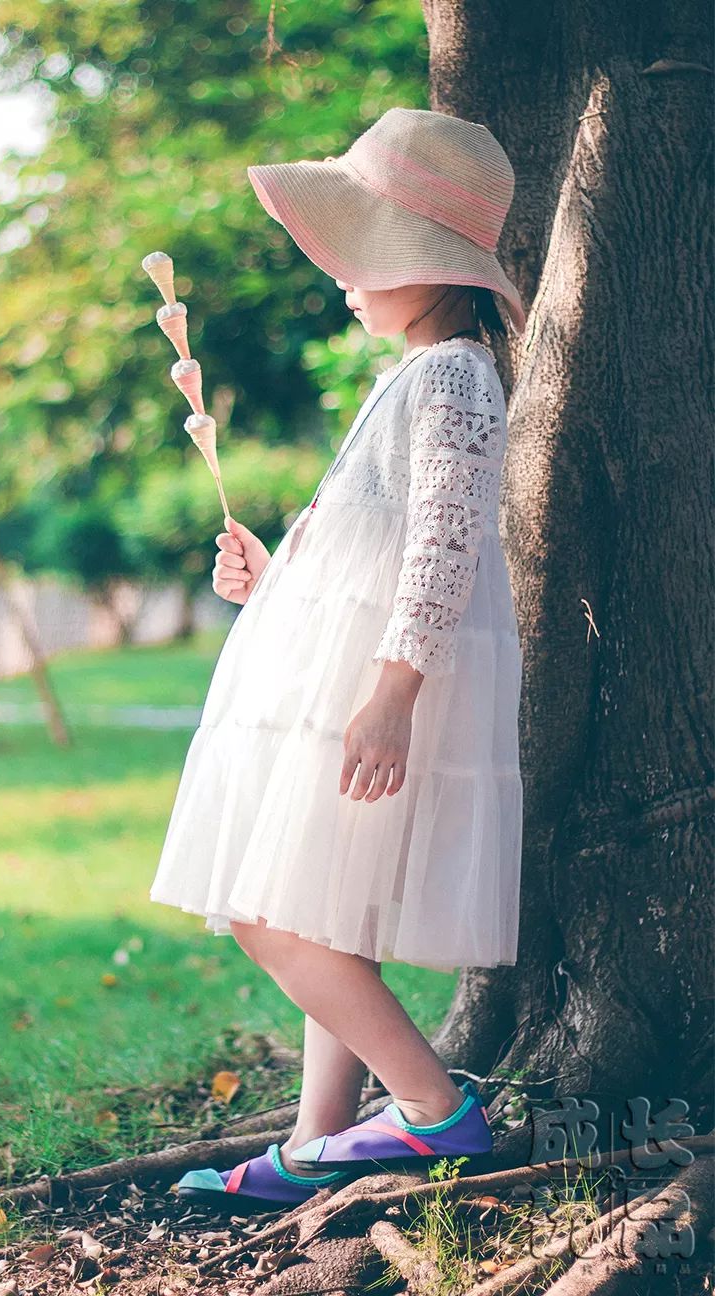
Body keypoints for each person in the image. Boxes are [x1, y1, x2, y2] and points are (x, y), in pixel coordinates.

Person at [148, 107, 526, 1212]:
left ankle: (430, 1111)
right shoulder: (412, 374)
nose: (343, 279)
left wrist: (393, 692)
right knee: (316, 898)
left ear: (428, 267)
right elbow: (381, 539)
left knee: (271, 907)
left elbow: (446, 547)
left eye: (364, 255)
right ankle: (321, 1136)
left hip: (380, 683)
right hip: (351, 663)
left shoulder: (451, 376)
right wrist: (276, 579)